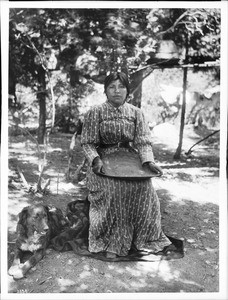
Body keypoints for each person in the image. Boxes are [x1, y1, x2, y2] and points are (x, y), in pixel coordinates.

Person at [80, 71, 172, 259]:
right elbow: (87, 143)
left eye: (121, 86)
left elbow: (143, 142)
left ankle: (143, 239)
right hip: (103, 159)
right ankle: (110, 242)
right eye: (112, 87)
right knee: (114, 190)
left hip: (131, 160)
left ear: (127, 91)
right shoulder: (95, 112)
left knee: (146, 190)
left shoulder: (136, 113)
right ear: (105, 91)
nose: (116, 91)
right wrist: (95, 159)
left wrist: (149, 162)